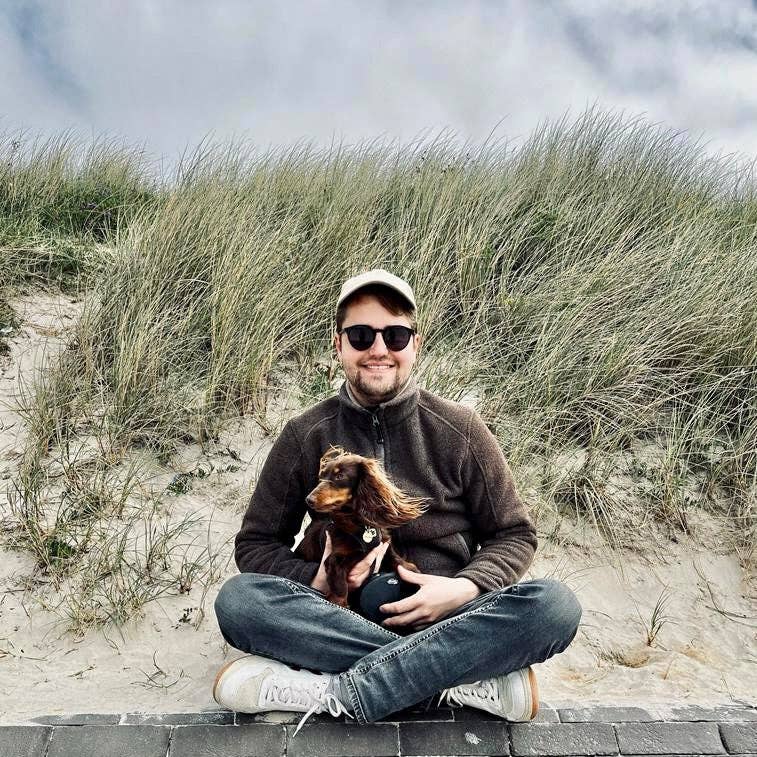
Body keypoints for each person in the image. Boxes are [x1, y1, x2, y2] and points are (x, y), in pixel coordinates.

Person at [213, 269, 581, 727]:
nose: (379, 349)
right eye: (361, 335)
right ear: (339, 345)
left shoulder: (461, 429)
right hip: (339, 617)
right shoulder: (305, 434)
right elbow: (255, 544)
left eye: (395, 335)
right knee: (240, 602)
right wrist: (316, 580)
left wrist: (462, 588)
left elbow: (514, 534)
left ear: (415, 344)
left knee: (554, 607)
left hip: (449, 617)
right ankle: (452, 683)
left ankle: (337, 692)